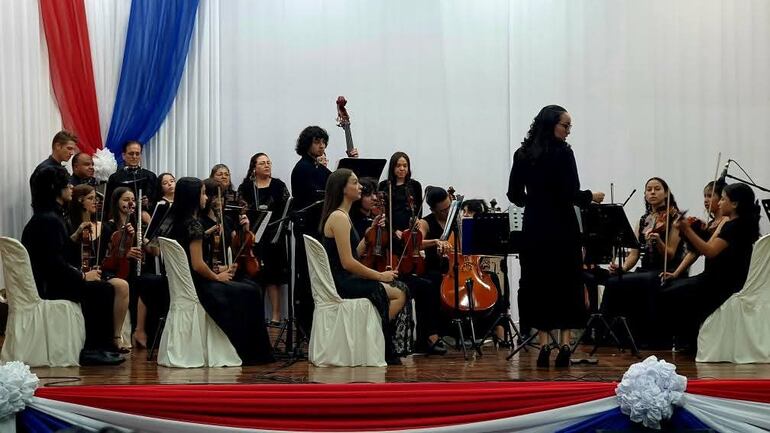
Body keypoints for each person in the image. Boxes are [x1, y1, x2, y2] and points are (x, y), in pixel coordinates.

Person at [507, 105, 604, 368]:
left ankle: (543, 345)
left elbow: (514, 194)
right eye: (566, 126)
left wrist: (535, 202)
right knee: (566, 283)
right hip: (562, 226)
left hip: (535, 226)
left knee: (538, 284)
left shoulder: (522, 154)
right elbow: (572, 193)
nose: (568, 131)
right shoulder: (564, 153)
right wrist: (590, 197)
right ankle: (563, 345)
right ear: (552, 124)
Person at [162, 177, 274, 364]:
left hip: (187, 284)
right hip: (200, 287)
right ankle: (253, 353)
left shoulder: (177, 221)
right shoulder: (194, 225)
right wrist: (217, 276)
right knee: (251, 291)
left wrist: (207, 235)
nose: (206, 198)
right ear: (193, 197)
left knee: (246, 287)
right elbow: (198, 264)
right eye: (203, 193)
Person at [22, 166, 124, 365]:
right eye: (66, 183)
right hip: (48, 285)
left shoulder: (49, 216)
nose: (71, 187)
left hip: (49, 279)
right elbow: (53, 264)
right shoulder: (49, 220)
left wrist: (74, 238)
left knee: (101, 287)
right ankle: (94, 350)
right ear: (54, 188)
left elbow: (56, 252)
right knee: (101, 290)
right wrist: (83, 277)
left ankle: (102, 347)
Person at [320, 169, 410, 364]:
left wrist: (371, 231)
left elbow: (355, 253)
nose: (360, 186)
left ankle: (373, 337)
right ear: (343, 189)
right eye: (354, 182)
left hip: (344, 278)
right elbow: (348, 262)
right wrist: (380, 276)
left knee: (400, 288)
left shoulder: (341, 216)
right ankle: (374, 339)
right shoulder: (340, 218)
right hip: (343, 282)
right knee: (400, 292)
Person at [660, 182, 761, 350]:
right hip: (717, 278)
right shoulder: (735, 224)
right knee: (672, 288)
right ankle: (686, 339)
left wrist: (687, 230)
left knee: (674, 294)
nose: (719, 203)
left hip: (724, 282)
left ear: (735, 204)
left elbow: (710, 251)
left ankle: (689, 342)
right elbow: (705, 247)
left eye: (723, 199)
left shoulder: (736, 227)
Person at [599, 177, 686, 347]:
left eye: (657, 189)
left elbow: (671, 254)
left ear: (666, 193)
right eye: (649, 189)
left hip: (666, 269)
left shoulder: (675, 218)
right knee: (613, 281)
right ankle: (609, 336)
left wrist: (658, 242)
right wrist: (622, 268)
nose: (652, 192)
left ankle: (650, 339)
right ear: (645, 194)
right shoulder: (642, 220)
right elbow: (634, 254)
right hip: (645, 269)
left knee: (645, 281)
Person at [67, 185, 132, 353]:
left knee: (122, 285)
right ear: (80, 201)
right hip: (78, 272)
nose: (95, 202)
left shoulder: (104, 226)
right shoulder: (70, 224)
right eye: (90, 198)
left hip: (101, 270)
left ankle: (116, 336)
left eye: (96, 198)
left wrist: (126, 237)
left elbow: (116, 255)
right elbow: (65, 250)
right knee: (100, 289)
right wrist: (77, 233)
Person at [236, 153, 291, 325]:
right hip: (253, 237)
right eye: (262, 163)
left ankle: (276, 316)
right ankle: (255, 316)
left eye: (269, 162)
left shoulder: (278, 185)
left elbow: (286, 210)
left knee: (273, 277)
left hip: (274, 237)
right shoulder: (245, 187)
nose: (267, 165)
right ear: (254, 167)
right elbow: (241, 209)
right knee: (254, 276)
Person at [290, 126, 333, 336]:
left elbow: (336, 185)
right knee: (307, 279)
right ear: (307, 144)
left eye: (324, 142)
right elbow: (316, 197)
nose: (322, 146)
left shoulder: (318, 168)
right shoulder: (302, 168)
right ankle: (306, 326)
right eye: (317, 142)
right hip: (308, 230)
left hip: (320, 229)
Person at [104, 140, 157, 224]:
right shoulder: (115, 177)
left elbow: (155, 199)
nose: (134, 156)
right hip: (121, 219)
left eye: (137, 153)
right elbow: (109, 202)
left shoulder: (150, 176)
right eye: (131, 154)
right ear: (124, 155)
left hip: (143, 219)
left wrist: (147, 203)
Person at [378, 152, 423, 245]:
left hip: (410, 232)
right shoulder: (384, 186)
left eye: (405, 166)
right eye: (398, 166)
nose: (402, 169)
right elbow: (382, 213)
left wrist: (417, 220)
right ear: (392, 167)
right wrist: (393, 231)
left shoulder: (415, 185)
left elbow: (419, 210)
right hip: (390, 232)